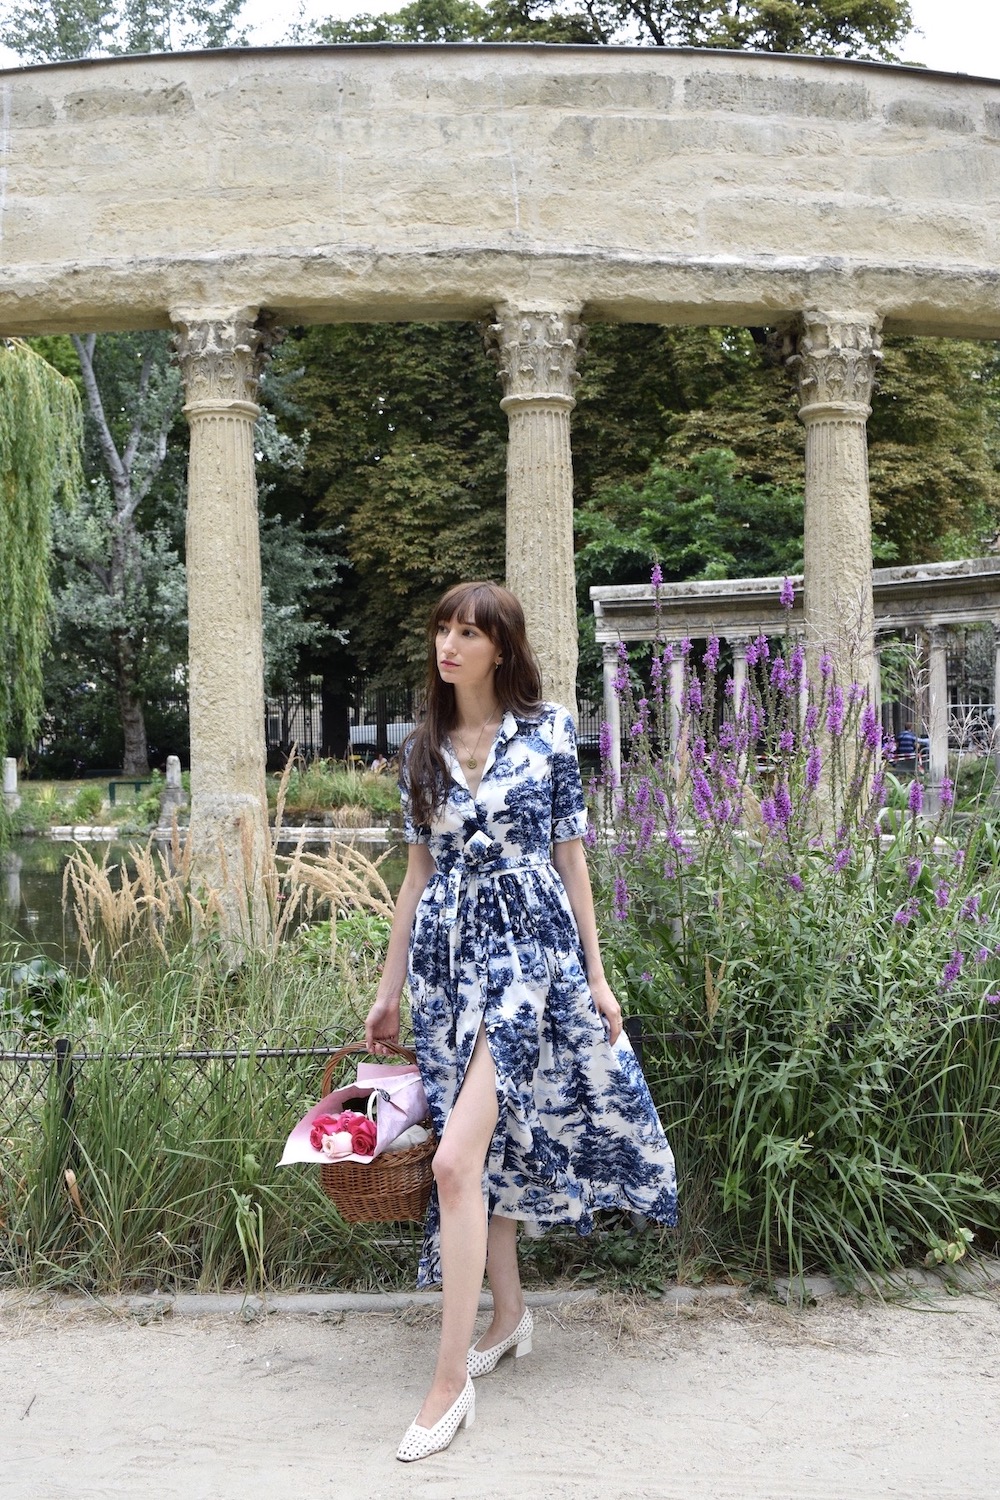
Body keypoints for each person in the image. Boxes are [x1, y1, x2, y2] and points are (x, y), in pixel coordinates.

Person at [364, 580, 677, 1464]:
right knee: (485, 1154)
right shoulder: (421, 750)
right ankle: (509, 1316)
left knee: (458, 1158)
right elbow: (417, 878)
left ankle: (447, 1380)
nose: (449, 645)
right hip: (445, 967)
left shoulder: (548, 732)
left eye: (468, 632)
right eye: (441, 630)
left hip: (527, 964)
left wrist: (598, 975)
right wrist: (389, 993)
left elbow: (572, 858)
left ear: (501, 646)